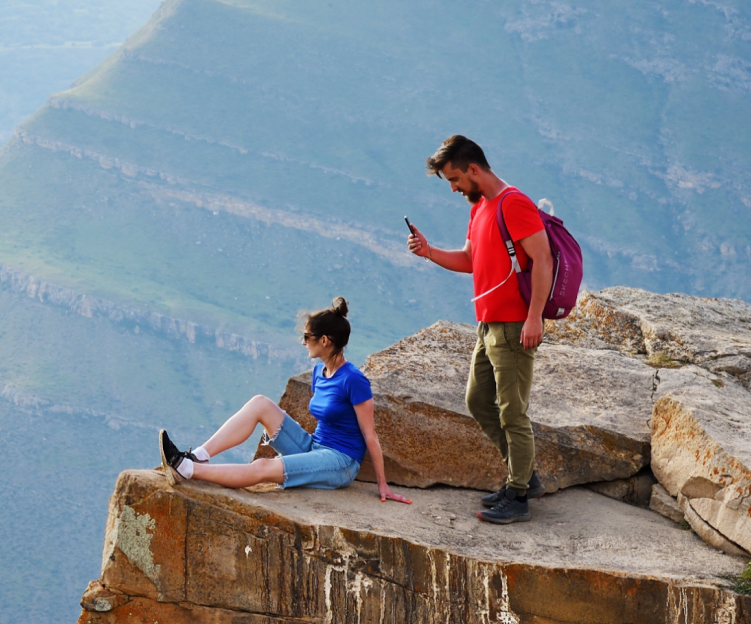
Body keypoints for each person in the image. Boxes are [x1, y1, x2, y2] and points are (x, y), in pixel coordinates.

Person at [405, 135, 553, 524]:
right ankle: (523, 476)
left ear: (473, 169)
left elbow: (543, 260)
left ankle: (518, 495)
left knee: (513, 413)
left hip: (513, 325)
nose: (453, 188)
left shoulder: (513, 203)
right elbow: (471, 259)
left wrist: (535, 316)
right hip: (487, 325)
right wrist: (429, 251)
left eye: (454, 179)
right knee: (477, 401)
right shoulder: (480, 207)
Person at [160, 298, 412, 504]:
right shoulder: (319, 373)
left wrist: (383, 485)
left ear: (324, 340)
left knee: (263, 466)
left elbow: (370, 435)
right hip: (315, 448)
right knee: (260, 403)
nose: (303, 342)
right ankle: (199, 457)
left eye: (307, 336)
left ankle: (186, 470)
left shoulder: (354, 380)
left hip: (340, 462)